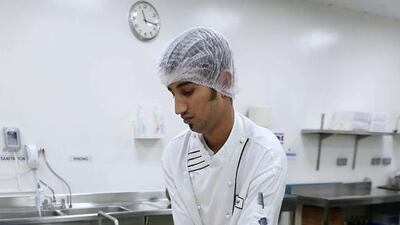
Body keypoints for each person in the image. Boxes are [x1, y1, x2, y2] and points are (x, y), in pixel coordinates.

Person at [158, 27, 287, 225]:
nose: (178, 108)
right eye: (173, 94)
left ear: (224, 83)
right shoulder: (175, 155)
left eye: (188, 91)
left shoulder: (264, 153)